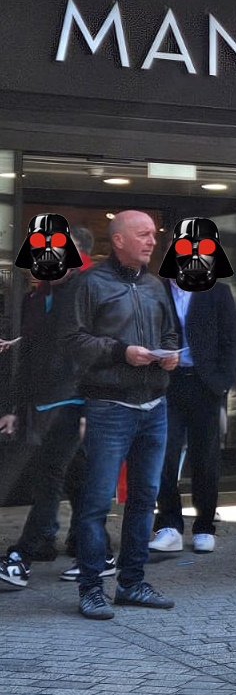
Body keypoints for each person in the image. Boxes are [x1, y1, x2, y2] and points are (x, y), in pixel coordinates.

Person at [59, 210, 180, 620]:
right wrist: (120, 351)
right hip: (110, 406)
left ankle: (131, 583)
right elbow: (73, 340)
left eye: (153, 234)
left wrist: (168, 355)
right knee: (96, 503)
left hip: (154, 405)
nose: (151, 241)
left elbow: (169, 334)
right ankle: (91, 587)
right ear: (120, 240)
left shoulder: (155, 284)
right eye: (143, 235)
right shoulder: (88, 283)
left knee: (144, 499)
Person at [2, 225, 93, 586]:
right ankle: (92, 550)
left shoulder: (82, 292)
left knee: (52, 473)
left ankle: (26, 551)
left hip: (71, 401)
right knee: (68, 475)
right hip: (42, 403)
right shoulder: (35, 299)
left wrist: (88, 409)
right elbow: (32, 354)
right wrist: (13, 407)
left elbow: (85, 350)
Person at [149, 273, 236, 556]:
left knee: (206, 457)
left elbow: (231, 338)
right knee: (165, 454)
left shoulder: (217, 291)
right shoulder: (155, 289)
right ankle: (169, 525)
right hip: (168, 383)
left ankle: (204, 526)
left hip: (206, 384)